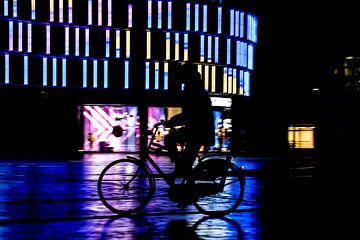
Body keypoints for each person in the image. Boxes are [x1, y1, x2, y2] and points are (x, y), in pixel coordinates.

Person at [164, 63, 215, 177]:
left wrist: (172, 121)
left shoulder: (194, 91)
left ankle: (180, 168)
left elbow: (190, 114)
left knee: (170, 138)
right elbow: (189, 114)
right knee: (172, 140)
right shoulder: (195, 88)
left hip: (198, 132)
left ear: (187, 76)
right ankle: (181, 170)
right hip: (197, 130)